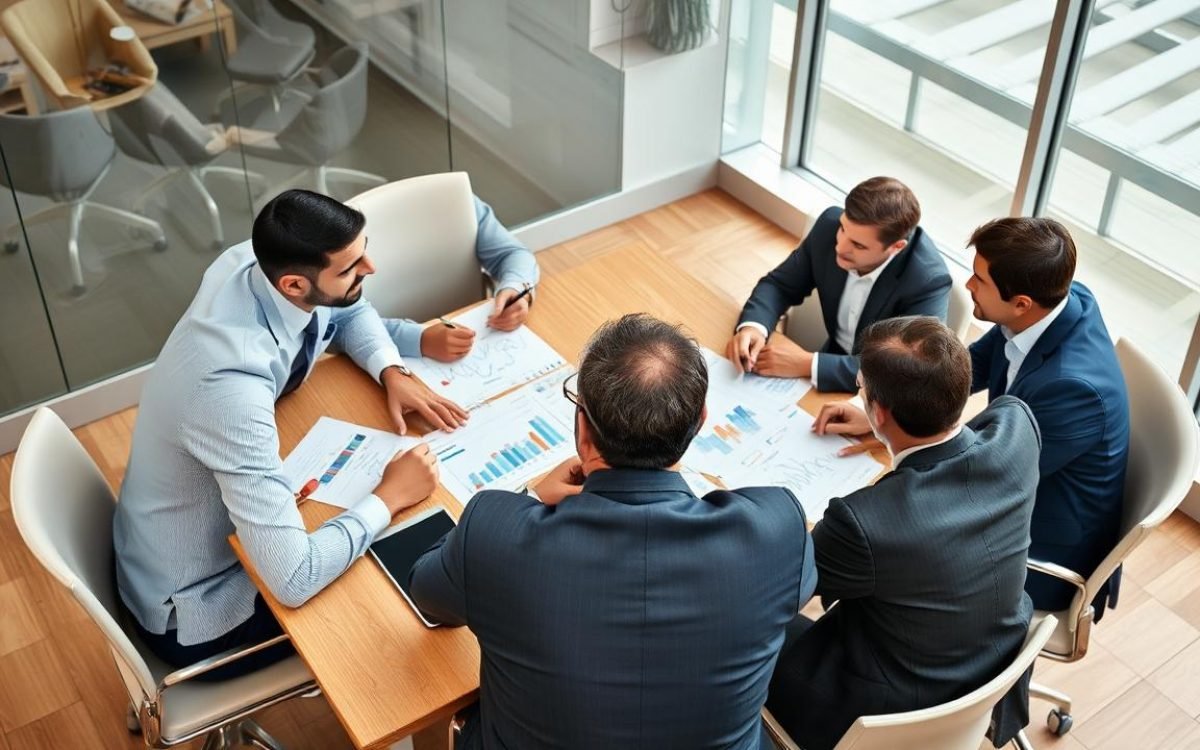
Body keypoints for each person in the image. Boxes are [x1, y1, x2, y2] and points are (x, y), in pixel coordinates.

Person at [410, 313, 817, 749]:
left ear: (583, 429)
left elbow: (429, 593)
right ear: (699, 421)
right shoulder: (778, 530)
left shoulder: (494, 533)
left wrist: (528, 495)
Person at [114, 190, 462, 678]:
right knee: (401, 582)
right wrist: (390, 496)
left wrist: (392, 370)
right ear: (296, 284)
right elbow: (295, 579)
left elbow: (348, 311)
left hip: (188, 534)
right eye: (351, 266)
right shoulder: (228, 390)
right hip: (199, 606)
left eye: (365, 249)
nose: (371, 267)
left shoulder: (257, 264)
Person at [767, 316, 1040, 750]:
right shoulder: (1017, 431)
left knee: (741, 626)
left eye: (862, 390)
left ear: (877, 411)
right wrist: (888, 432)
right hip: (986, 665)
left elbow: (778, 588)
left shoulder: (863, 525)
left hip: (882, 709)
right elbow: (981, 425)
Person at [965, 217, 1129, 614]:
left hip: (1039, 556)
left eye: (979, 280)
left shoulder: (1073, 390)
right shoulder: (1059, 302)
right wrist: (898, 405)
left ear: (1021, 303)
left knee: (896, 556)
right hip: (1015, 490)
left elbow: (988, 473)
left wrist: (903, 434)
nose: (969, 285)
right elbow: (979, 363)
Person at [727, 176, 951, 392]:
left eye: (858, 245)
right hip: (831, 359)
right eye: (843, 228)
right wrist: (753, 327)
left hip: (881, 392)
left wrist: (810, 364)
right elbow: (780, 285)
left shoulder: (928, 281)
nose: (840, 247)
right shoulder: (828, 226)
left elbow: (909, 367)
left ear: (896, 247)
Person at [392, 196, 541, 363]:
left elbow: (514, 254)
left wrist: (516, 288)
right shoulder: (358, 228)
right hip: (392, 354)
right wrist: (419, 339)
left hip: (472, 335)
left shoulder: (458, 198)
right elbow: (356, 317)